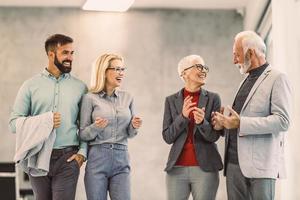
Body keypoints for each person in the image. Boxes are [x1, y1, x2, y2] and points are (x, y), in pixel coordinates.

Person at [211, 31, 292, 200]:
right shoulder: (244, 81)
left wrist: (240, 123)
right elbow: (237, 123)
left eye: (236, 55)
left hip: (260, 168)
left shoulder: (278, 78)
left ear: (250, 53)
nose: (234, 60)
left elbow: (282, 121)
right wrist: (223, 125)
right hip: (233, 166)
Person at [9, 34, 88, 200]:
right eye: (65, 53)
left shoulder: (80, 87)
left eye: (72, 53)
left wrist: (82, 153)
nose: (70, 58)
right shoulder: (30, 86)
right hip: (37, 155)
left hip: (68, 158)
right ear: (51, 54)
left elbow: (86, 124)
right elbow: (13, 123)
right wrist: (44, 121)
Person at [79, 53, 142, 200]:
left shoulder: (128, 97)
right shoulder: (89, 98)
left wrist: (134, 126)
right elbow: (82, 134)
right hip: (97, 159)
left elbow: (131, 134)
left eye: (122, 69)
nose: (121, 73)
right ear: (104, 71)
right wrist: (96, 127)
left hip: (122, 158)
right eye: (117, 69)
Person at [162, 55, 223, 200]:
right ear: (184, 73)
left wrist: (202, 122)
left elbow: (214, 136)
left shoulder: (213, 98)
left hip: (206, 169)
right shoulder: (171, 100)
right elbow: (167, 137)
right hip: (176, 169)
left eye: (205, 68)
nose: (204, 71)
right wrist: (183, 117)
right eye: (199, 67)